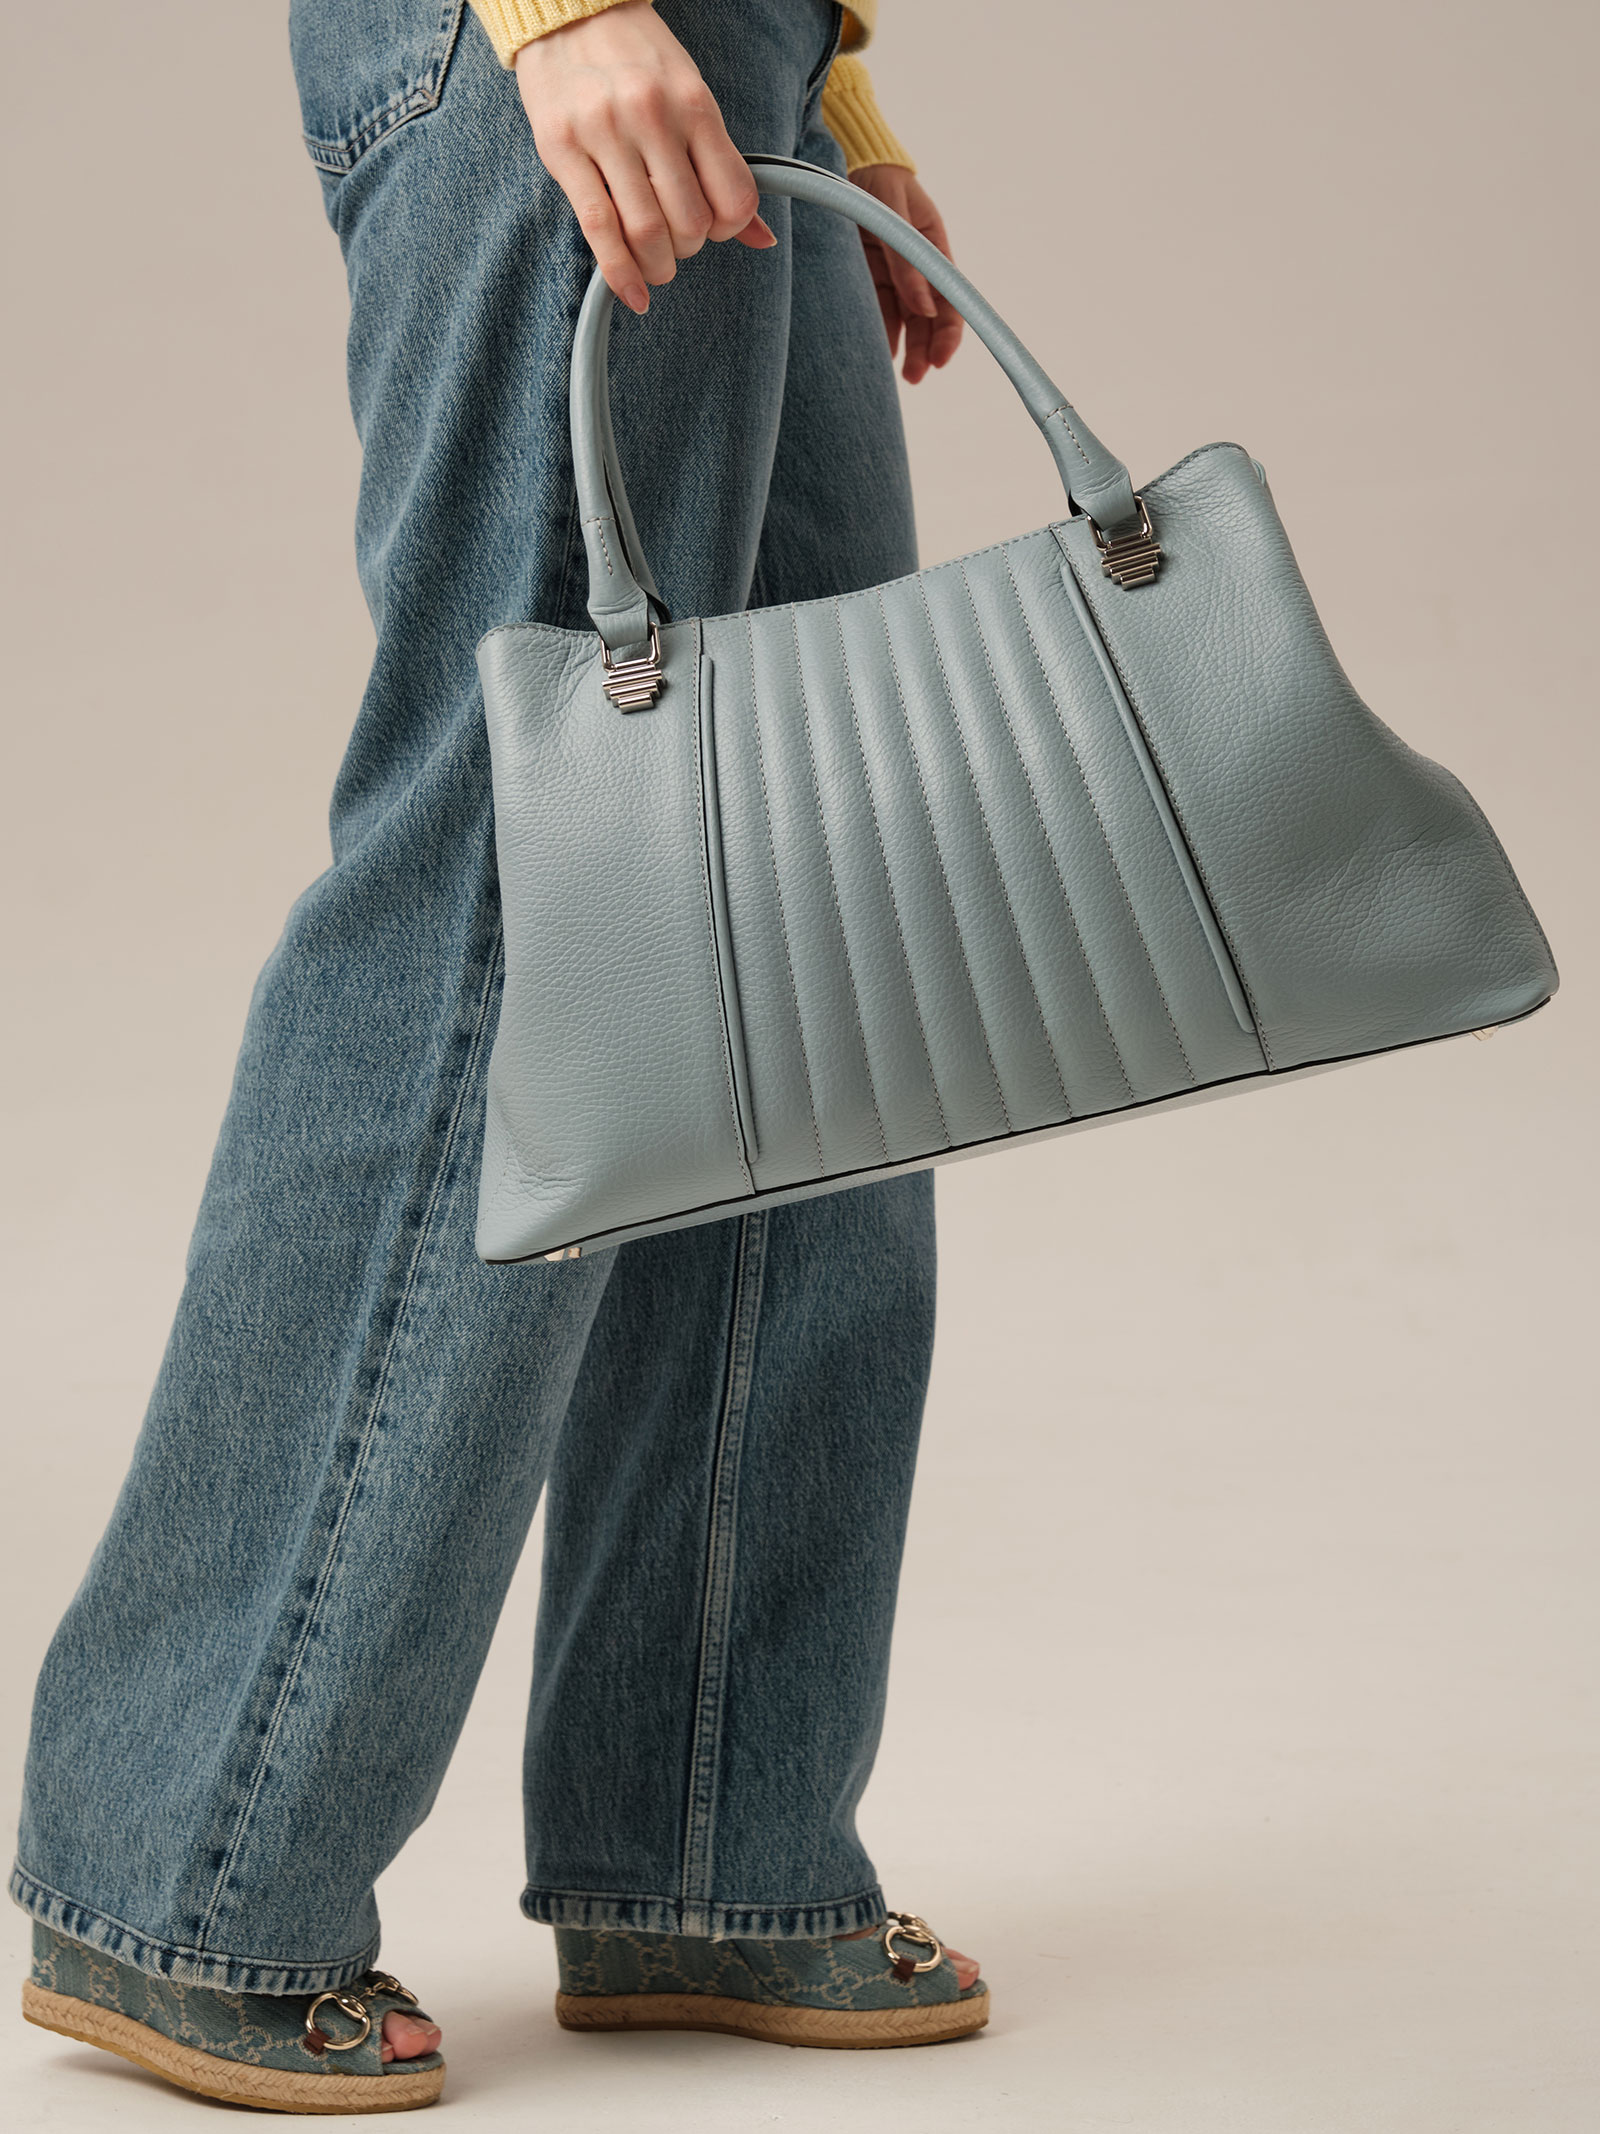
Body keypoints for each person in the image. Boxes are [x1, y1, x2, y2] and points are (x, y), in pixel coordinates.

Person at [13, 0, 983, 2112]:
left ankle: (705, 1838)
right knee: (507, 882)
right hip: (573, 24)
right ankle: (186, 1861)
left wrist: (829, 90)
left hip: (735, 49)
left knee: (798, 901)